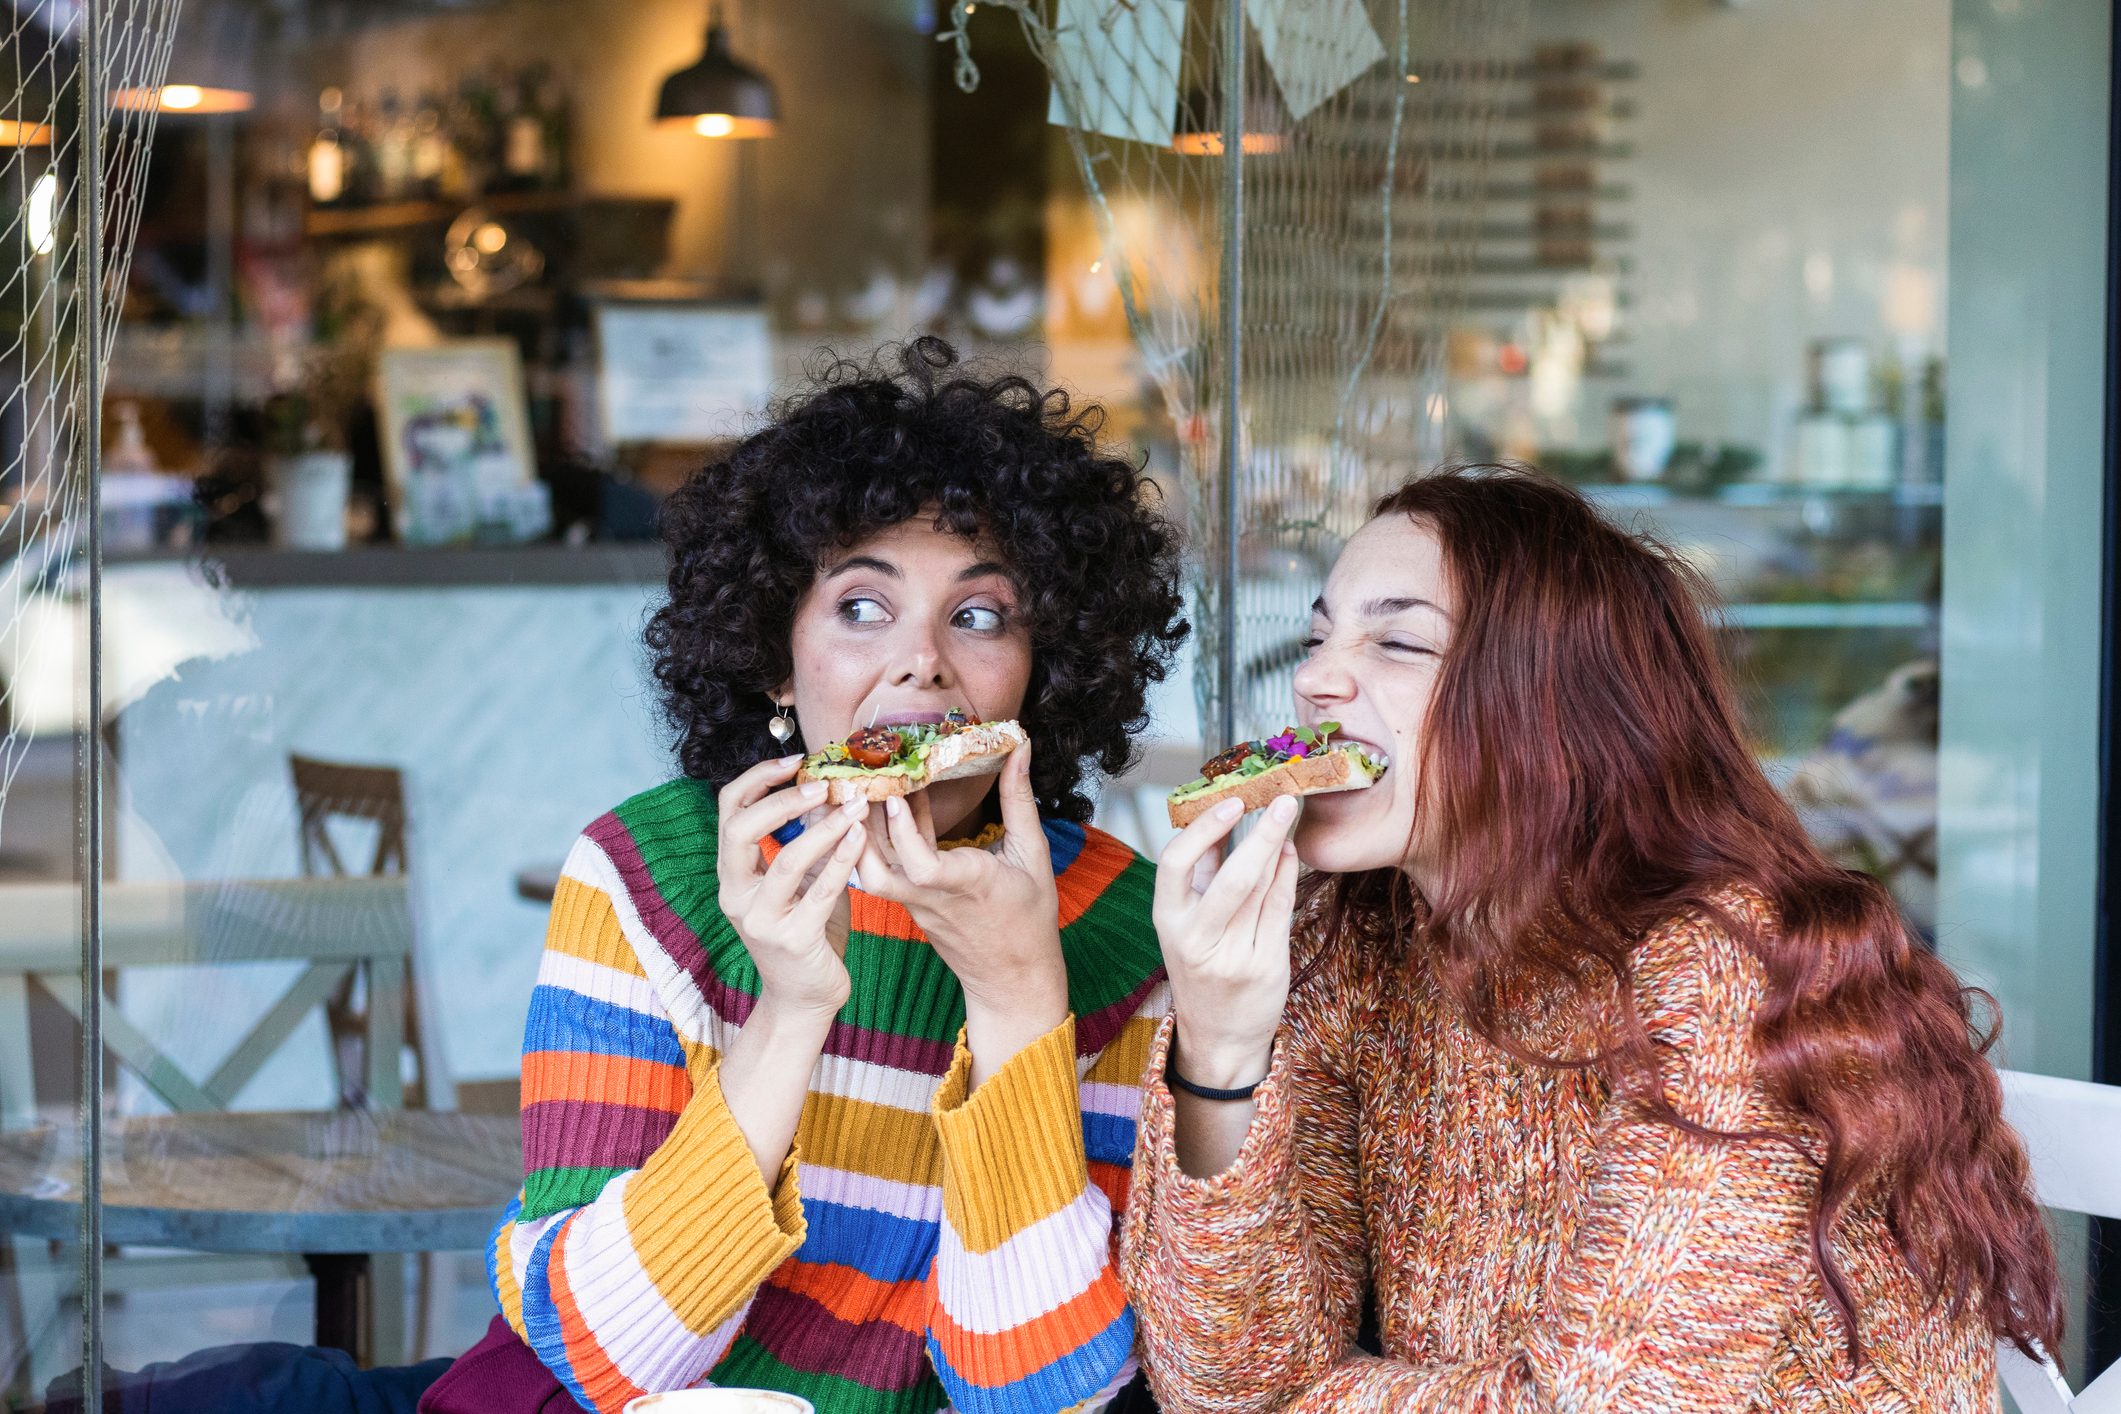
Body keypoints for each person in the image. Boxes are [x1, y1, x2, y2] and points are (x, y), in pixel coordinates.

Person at [1119, 467, 2060, 1412]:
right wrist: (1220, 1045)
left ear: (1554, 710)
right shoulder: (1353, 942)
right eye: (1320, 633)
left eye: (1398, 641)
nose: (1315, 676)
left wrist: (1306, 1399)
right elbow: (1220, 1382)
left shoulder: (1718, 967)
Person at [420, 339, 1186, 1414]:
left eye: (979, 615)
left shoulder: (1126, 930)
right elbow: (598, 1357)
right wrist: (787, 1015)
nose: (920, 660)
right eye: (862, 607)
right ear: (779, 659)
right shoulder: (649, 876)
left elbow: (1045, 1401)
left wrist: (1018, 999)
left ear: (1040, 673)